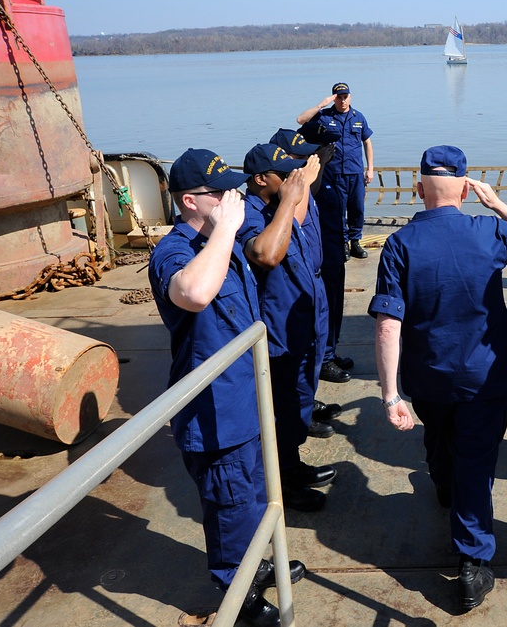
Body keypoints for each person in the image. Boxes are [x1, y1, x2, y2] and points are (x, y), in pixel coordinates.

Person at [370, 146, 507, 612]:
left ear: (418, 189)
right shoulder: (489, 230)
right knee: (476, 459)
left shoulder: (400, 244)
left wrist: (390, 394)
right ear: (467, 187)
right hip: (484, 374)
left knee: (439, 434)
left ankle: (444, 487)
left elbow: (388, 325)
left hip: (429, 373)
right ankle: (472, 563)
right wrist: (498, 205)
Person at [148, 148, 305, 627]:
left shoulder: (224, 241)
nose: (230, 198)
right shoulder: (174, 252)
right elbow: (193, 294)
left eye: (231, 188)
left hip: (247, 398)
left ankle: (255, 565)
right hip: (215, 410)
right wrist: (229, 231)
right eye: (217, 193)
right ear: (188, 202)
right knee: (229, 502)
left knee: (255, 494)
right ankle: (237, 595)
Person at [238, 144, 340, 513]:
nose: (294, 180)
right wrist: (289, 200)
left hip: (302, 324)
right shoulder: (250, 214)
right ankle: (283, 484)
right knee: (279, 409)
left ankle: (292, 466)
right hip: (277, 331)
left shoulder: (276, 203)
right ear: (261, 179)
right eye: (286, 174)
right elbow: (267, 254)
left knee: (298, 401)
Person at [296, 83, 373, 382]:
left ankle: (331, 350)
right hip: (321, 259)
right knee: (323, 308)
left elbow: (367, 142)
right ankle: (324, 358)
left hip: (332, 257)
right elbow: (302, 121)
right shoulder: (311, 182)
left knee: (335, 308)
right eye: (326, 145)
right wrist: (322, 102)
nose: (331, 146)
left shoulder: (358, 117)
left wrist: (369, 168)